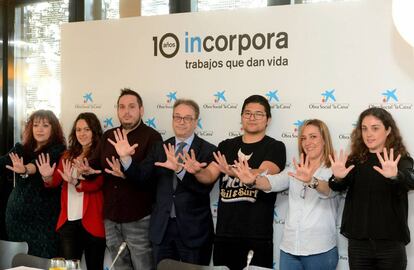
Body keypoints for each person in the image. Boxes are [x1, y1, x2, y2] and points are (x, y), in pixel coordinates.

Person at [181, 95, 286, 270]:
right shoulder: (225, 146)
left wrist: (232, 171)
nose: (252, 118)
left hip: (257, 236)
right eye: (248, 113)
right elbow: (209, 176)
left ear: (268, 120)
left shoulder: (275, 146)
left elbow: (264, 172)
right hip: (224, 234)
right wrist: (198, 171)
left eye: (258, 114)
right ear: (242, 117)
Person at [106, 99, 216, 266]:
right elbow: (141, 176)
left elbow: (204, 188)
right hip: (162, 230)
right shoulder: (160, 148)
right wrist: (125, 158)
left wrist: (180, 170)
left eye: (187, 118)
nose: (181, 122)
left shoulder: (208, 150)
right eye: (177, 117)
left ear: (196, 122)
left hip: (194, 231)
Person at [233, 119, 339, 270]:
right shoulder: (296, 169)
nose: (307, 142)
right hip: (289, 249)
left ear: (324, 140)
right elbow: (272, 182)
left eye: (313, 136)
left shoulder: (335, 169)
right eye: (303, 138)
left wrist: (311, 180)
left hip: (320, 250)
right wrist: (252, 181)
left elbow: (329, 190)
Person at [80, 88, 162, 270]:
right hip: (111, 217)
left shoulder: (152, 137)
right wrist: (85, 170)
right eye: (122, 107)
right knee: (119, 267)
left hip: (138, 218)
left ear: (141, 110)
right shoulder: (109, 136)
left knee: (144, 267)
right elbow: (94, 165)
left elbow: (147, 177)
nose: (126, 111)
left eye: (132, 107)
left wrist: (126, 165)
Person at [328, 107, 414, 270]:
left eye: (375, 128)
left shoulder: (400, 159)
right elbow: (336, 186)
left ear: (388, 130)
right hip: (359, 245)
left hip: (391, 244)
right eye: (364, 128)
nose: (368, 134)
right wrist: (338, 177)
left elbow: (411, 181)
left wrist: (396, 175)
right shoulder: (355, 160)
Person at [36, 112, 106, 269]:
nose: (82, 133)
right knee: (68, 267)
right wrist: (47, 177)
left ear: (94, 131)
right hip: (69, 223)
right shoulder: (67, 155)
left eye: (87, 129)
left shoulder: (100, 154)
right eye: (78, 129)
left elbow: (97, 184)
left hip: (92, 222)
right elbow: (55, 182)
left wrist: (75, 181)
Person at [0, 109, 66, 258]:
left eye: (45, 125)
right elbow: (3, 162)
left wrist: (24, 169)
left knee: (40, 260)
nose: (39, 129)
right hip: (15, 220)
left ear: (53, 128)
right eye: (36, 125)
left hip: (43, 221)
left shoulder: (58, 150)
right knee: (17, 262)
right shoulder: (21, 148)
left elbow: (35, 165)